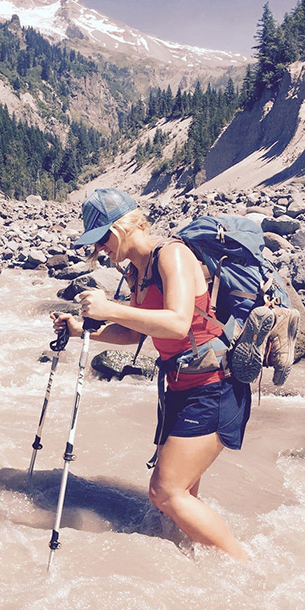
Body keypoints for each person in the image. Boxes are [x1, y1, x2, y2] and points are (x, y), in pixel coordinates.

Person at [53, 188, 255, 561]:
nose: (99, 252)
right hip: (181, 388)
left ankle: (244, 567)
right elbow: (135, 333)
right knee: (181, 499)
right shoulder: (136, 273)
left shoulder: (172, 256)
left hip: (215, 386)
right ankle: (195, 563)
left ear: (117, 231)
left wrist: (110, 307)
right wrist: (85, 330)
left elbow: (178, 324)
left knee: (164, 492)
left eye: (100, 241)